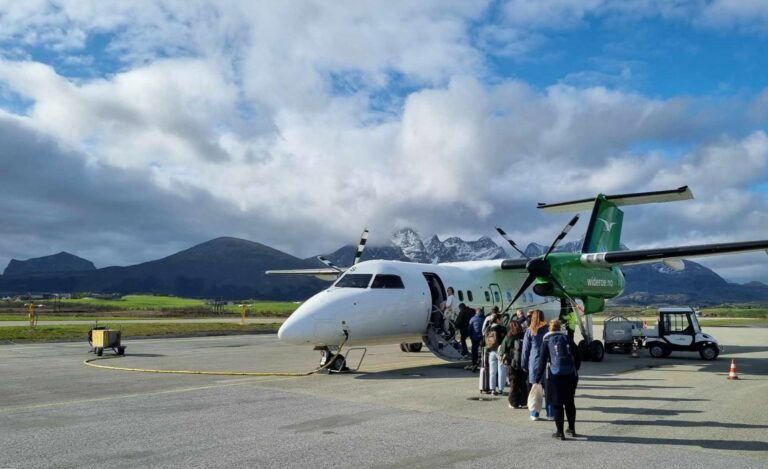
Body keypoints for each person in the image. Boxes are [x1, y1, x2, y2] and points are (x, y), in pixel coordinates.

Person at [534, 319, 581, 440]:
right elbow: (577, 354)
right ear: (559, 328)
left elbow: (542, 361)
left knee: (557, 404)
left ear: (550, 328)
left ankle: (560, 432)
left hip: (555, 376)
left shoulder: (546, 340)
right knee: (570, 402)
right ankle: (572, 428)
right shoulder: (567, 338)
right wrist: (576, 368)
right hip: (570, 374)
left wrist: (537, 378)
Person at [521, 309, 549, 420]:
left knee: (535, 390)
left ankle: (534, 413)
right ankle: (550, 413)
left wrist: (523, 364)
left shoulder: (529, 331)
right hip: (547, 362)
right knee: (549, 390)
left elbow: (525, 350)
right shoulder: (547, 329)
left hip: (534, 362)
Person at [500, 321, 527, 409]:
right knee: (523, 383)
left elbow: (503, 349)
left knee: (514, 383)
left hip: (512, 363)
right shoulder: (524, 334)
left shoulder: (509, 336)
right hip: (523, 362)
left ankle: (513, 402)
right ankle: (523, 401)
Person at [486, 314, 508, 396]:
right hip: (500, 351)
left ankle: (492, 389)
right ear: (498, 320)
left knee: (492, 371)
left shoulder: (489, 328)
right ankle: (501, 389)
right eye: (501, 319)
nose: (502, 320)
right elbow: (505, 340)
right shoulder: (502, 328)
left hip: (491, 350)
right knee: (501, 370)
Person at [468, 307, 485, 372]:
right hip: (481, 338)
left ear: (476, 312)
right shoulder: (483, 319)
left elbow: (470, 329)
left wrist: (470, 336)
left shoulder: (472, 319)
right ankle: (481, 364)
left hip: (474, 338)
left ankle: (474, 364)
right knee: (483, 351)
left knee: (474, 351)